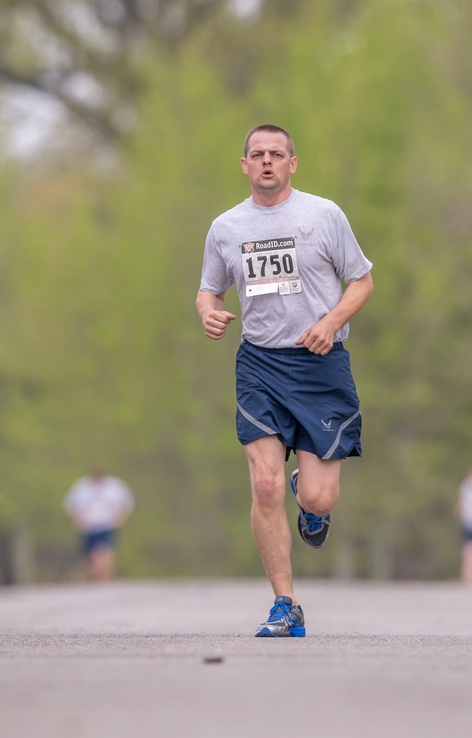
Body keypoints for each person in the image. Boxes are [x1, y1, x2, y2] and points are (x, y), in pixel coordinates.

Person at [196, 124, 374, 637]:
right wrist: (208, 313)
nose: (267, 161)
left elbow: (362, 280)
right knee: (264, 483)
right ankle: (285, 603)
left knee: (318, 499)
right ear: (245, 164)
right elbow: (210, 291)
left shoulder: (323, 216)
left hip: (320, 364)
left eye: (277, 153)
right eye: (258, 154)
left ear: (292, 163)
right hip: (260, 365)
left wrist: (331, 321)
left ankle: (309, 497)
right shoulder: (226, 227)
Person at [63, 469, 135, 582]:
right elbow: (71, 505)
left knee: (104, 552)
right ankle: (95, 577)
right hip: (89, 527)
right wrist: (77, 519)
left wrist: (121, 519)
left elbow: (127, 502)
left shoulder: (114, 486)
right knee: (90, 556)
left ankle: (106, 578)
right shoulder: (82, 486)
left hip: (107, 525)